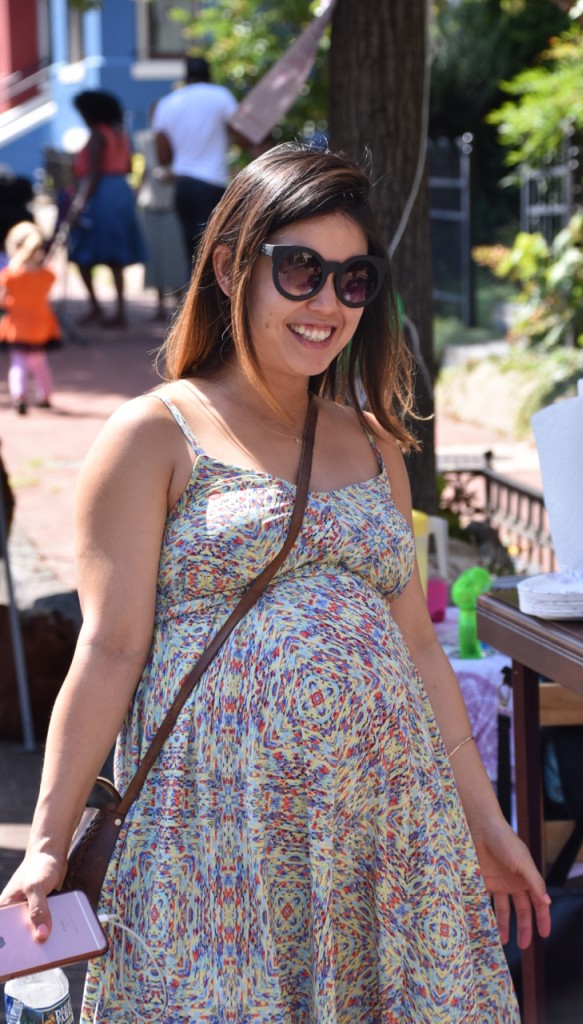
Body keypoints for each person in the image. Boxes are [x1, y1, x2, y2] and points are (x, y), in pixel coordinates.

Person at [0, 143, 550, 1022]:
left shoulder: (374, 443)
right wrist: (46, 844)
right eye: (300, 270)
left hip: (387, 835)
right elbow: (108, 649)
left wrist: (486, 822)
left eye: (352, 279)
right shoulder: (154, 436)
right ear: (228, 267)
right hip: (219, 846)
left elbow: (419, 650)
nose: (327, 302)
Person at [152, 54, 250, 266]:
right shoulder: (221, 96)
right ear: (209, 76)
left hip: (182, 185)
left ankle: (195, 297)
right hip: (211, 185)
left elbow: (163, 156)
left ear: (186, 77)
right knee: (215, 250)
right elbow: (241, 136)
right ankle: (214, 298)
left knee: (191, 252)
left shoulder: (168, 103)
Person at [65, 90, 147, 327]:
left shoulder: (97, 136)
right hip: (120, 192)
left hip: (101, 196)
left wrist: (79, 203)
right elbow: (130, 167)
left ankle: (97, 306)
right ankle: (120, 310)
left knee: (82, 253)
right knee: (116, 256)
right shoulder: (121, 135)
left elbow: (93, 173)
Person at [0, 221, 60, 414]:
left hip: (18, 325)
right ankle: (45, 394)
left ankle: (19, 395)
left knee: (18, 362)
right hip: (40, 325)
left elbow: (2, 300)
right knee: (39, 362)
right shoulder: (46, 274)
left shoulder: (10, 275)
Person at [135, 105, 189, 319]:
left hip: (173, 204)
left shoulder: (182, 139)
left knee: (176, 256)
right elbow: (145, 171)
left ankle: (178, 307)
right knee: (153, 256)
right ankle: (158, 306)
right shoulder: (145, 140)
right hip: (150, 204)